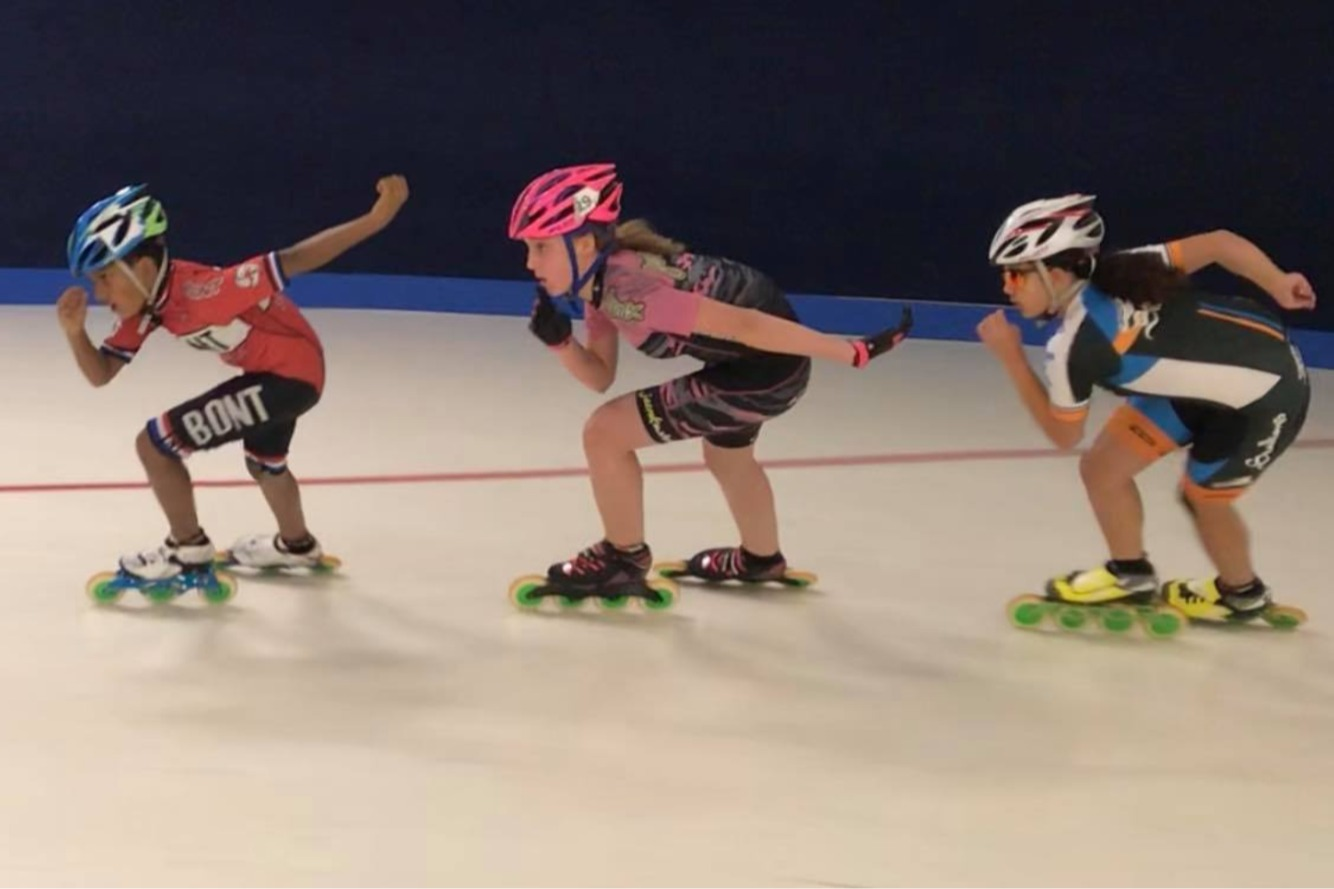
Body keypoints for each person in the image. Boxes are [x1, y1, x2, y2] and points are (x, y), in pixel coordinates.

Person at [507, 162, 912, 596]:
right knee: (727, 458)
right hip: (756, 367)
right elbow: (600, 376)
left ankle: (623, 558)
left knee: (605, 432)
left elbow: (746, 326)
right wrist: (561, 343)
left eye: (539, 247)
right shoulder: (602, 284)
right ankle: (761, 559)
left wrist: (848, 351)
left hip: (764, 368)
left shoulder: (632, 289)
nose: (530, 262)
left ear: (584, 243)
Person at [976, 193, 1315, 621]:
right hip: (1206, 385)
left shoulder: (1075, 346)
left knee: (1203, 497)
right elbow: (1219, 243)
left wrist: (1012, 360)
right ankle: (1130, 575)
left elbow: (1063, 435)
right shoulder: (1121, 267)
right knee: (1102, 469)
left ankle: (1242, 593)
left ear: (1057, 274)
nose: (1007, 288)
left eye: (1016, 276)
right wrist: (1277, 281)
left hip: (1267, 396)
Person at [58, 175, 410, 581]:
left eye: (104, 277)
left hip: (289, 377)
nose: (100, 294)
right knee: (266, 464)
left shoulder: (208, 290)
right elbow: (102, 373)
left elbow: (295, 258)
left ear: (143, 267)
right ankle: (297, 546)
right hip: (281, 375)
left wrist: (376, 219)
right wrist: (75, 333)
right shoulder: (151, 306)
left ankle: (187, 548)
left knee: (155, 445)